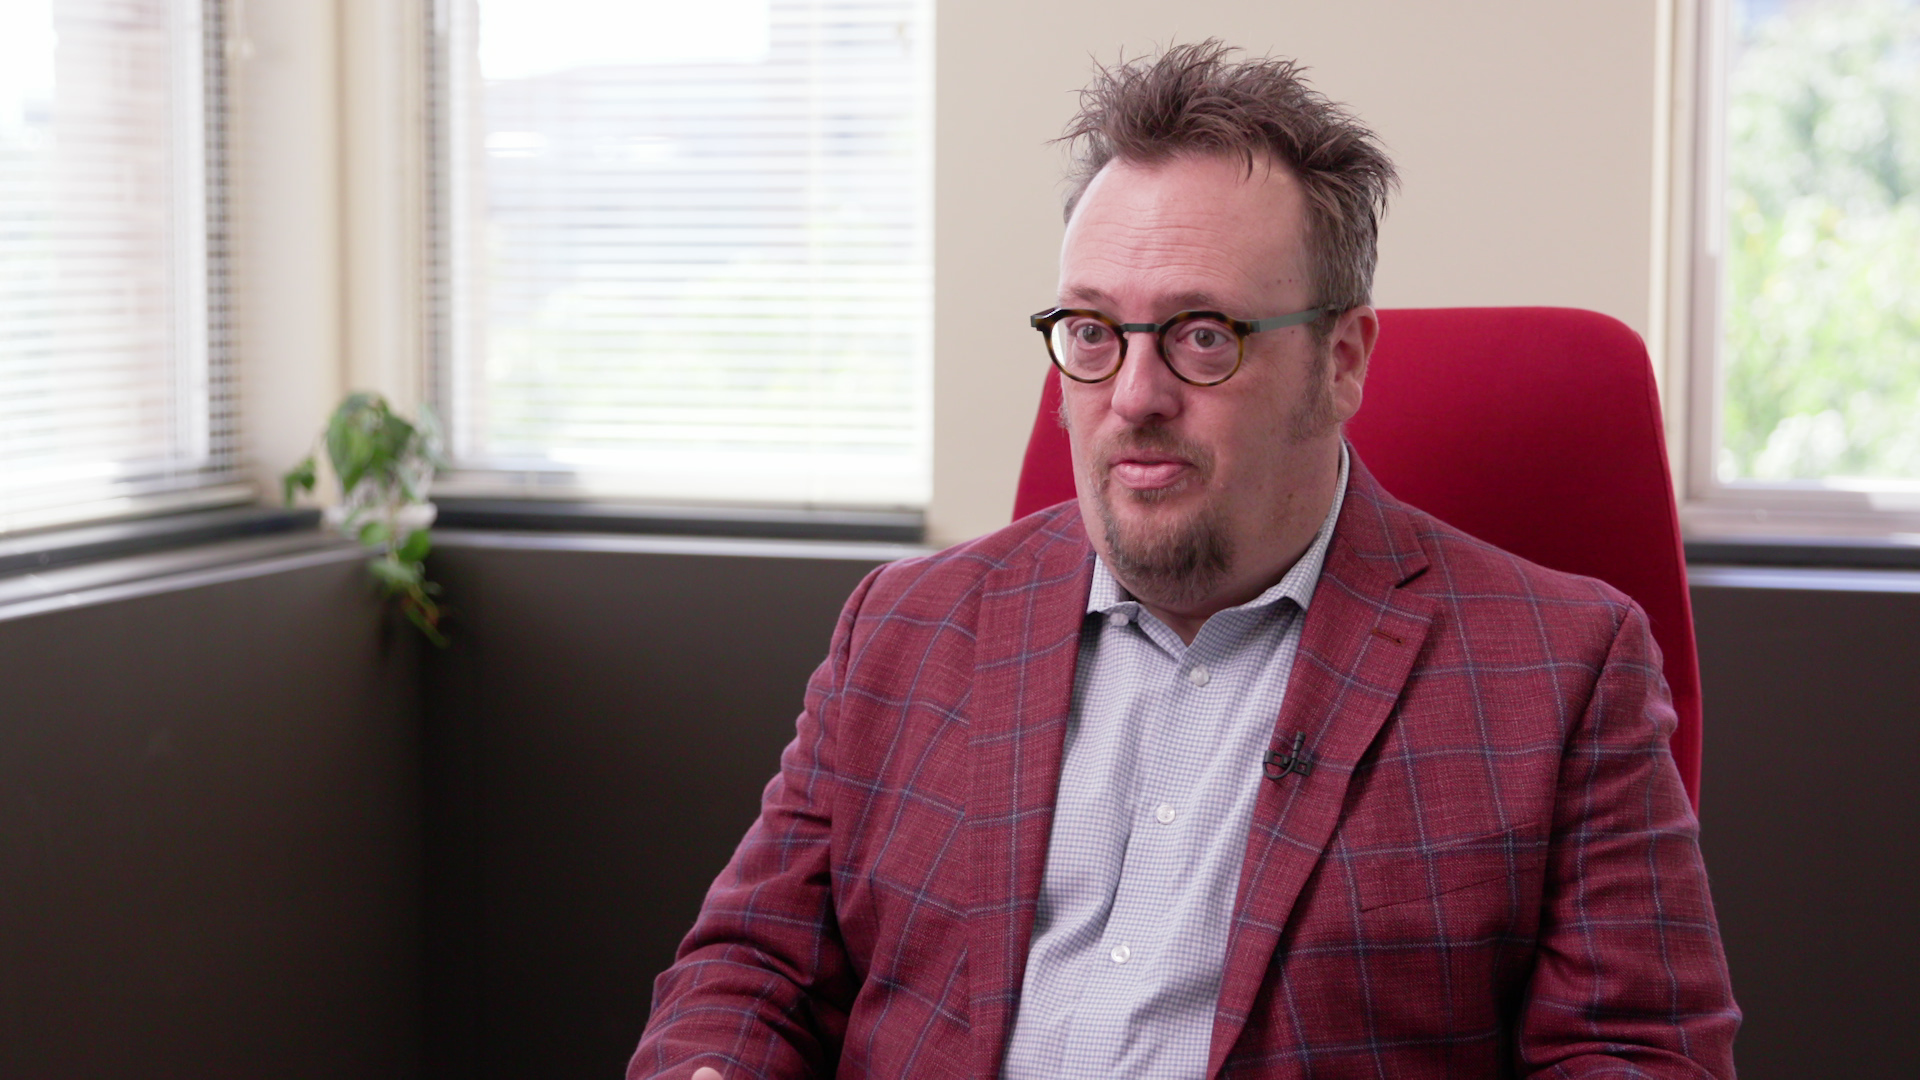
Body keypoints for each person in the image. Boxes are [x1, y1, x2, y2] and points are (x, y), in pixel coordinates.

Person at [631, 41, 1739, 1080]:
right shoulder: (905, 624)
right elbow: (751, 968)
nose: (1134, 397)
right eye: (1094, 331)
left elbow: (1635, 1055)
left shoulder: (1563, 668)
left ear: (1341, 361)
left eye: (1204, 335)